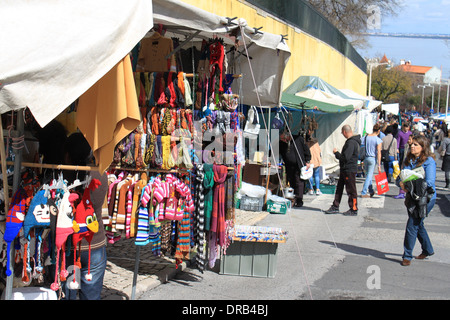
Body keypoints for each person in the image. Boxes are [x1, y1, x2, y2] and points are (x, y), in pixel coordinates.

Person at [61, 132, 108, 300]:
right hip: (94, 243)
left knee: (67, 295)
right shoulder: (100, 174)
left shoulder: (62, 175)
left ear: (67, 155)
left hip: (69, 246)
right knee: (91, 297)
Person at [399, 135, 436, 266]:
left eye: (415, 145)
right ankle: (427, 249)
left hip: (425, 198)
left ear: (423, 147)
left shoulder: (429, 161)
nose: (412, 146)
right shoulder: (408, 160)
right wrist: (402, 183)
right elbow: (401, 176)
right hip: (411, 197)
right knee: (418, 224)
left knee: (412, 224)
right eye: (411, 144)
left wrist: (411, 184)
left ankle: (407, 255)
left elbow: (430, 182)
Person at [324, 125, 361, 216]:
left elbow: (345, 158)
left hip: (349, 169)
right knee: (339, 188)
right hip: (345, 169)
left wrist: (336, 153)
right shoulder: (352, 142)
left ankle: (354, 208)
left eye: (342, 133)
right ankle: (335, 206)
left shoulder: (351, 143)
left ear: (345, 132)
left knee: (351, 190)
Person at [279, 130, 311, 208]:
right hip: (289, 166)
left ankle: (299, 200)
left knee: (299, 182)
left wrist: (308, 160)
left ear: (288, 136)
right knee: (291, 181)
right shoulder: (282, 143)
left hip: (299, 164)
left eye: (283, 138)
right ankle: (293, 198)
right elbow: (276, 151)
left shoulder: (298, 139)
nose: (283, 140)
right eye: (282, 139)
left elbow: (306, 149)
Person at [361, 124, 382, 198]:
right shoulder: (378, 140)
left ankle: (371, 190)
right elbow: (379, 152)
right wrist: (379, 165)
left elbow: (361, 143)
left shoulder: (366, 137)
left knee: (368, 175)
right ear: (378, 131)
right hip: (372, 158)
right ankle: (364, 192)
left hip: (365, 157)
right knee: (369, 176)